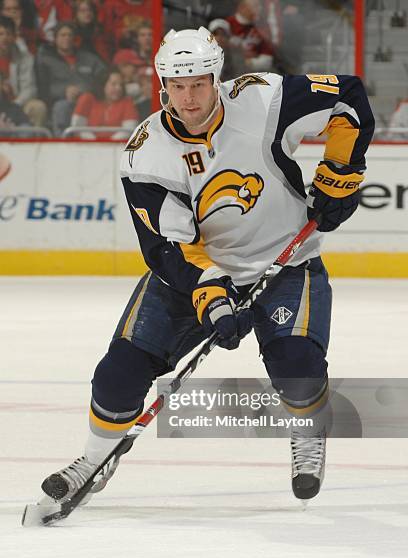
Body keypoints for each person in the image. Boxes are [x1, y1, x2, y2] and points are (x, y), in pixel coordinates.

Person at [40, 27, 374, 505]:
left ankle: (308, 434)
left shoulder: (263, 100)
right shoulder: (145, 153)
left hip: (286, 262)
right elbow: (166, 248)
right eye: (178, 86)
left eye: (198, 82)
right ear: (163, 87)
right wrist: (212, 294)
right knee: (117, 376)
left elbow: (349, 98)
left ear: (217, 78)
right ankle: (93, 460)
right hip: (191, 275)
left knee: (298, 368)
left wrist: (339, 173)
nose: (189, 97)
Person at [35, 21, 105, 135]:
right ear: (55, 39)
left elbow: (104, 79)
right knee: (62, 107)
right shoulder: (45, 60)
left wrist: (84, 90)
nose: (66, 38)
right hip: (59, 102)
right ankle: (61, 143)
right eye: (62, 35)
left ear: (74, 38)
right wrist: (63, 91)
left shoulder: (90, 58)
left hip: (89, 100)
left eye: (69, 35)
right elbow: (42, 88)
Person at [70, 67, 138, 140]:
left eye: (121, 85)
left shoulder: (127, 102)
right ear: (103, 84)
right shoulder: (87, 98)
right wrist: (96, 142)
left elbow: (129, 130)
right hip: (87, 145)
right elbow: (77, 128)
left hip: (116, 147)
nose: (119, 88)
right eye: (113, 84)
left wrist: (109, 143)